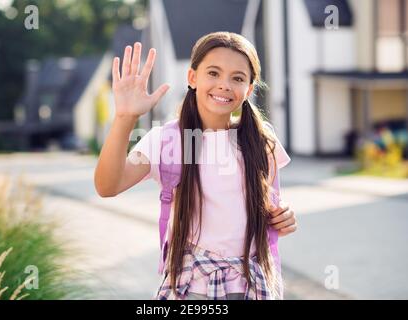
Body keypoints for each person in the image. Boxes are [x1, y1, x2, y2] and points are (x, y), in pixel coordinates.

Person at [94, 31, 297, 300]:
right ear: (192, 77)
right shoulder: (167, 140)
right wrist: (124, 117)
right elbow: (108, 185)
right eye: (213, 73)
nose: (224, 84)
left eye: (237, 78)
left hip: (250, 286)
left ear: (248, 90)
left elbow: (269, 208)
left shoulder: (262, 141)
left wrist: (283, 217)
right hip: (192, 288)